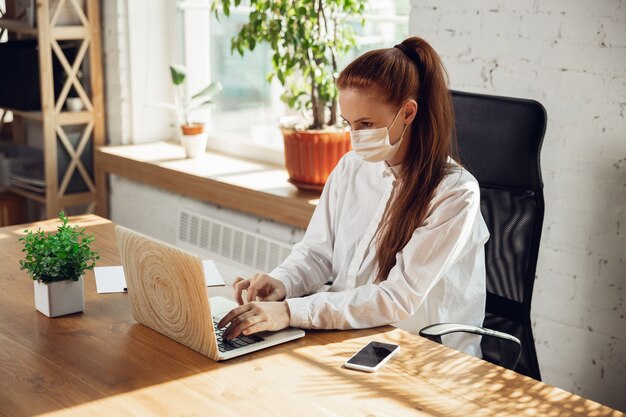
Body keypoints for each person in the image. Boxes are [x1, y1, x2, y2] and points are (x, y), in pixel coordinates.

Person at [218, 36, 490, 356]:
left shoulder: (455, 194)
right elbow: (317, 253)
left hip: (420, 353)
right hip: (347, 334)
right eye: (349, 123)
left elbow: (396, 299)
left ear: (407, 112)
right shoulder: (352, 167)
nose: (355, 137)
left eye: (366, 123)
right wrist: (282, 283)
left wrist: (291, 312)